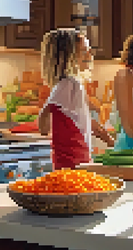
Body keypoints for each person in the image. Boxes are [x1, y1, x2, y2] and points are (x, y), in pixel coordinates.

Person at [37, 29, 115, 169]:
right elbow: (47, 111)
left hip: (79, 157)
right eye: (84, 51)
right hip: (70, 161)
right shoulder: (67, 84)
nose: (90, 54)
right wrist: (43, 126)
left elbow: (82, 120)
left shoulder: (74, 84)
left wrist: (108, 139)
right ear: (66, 57)